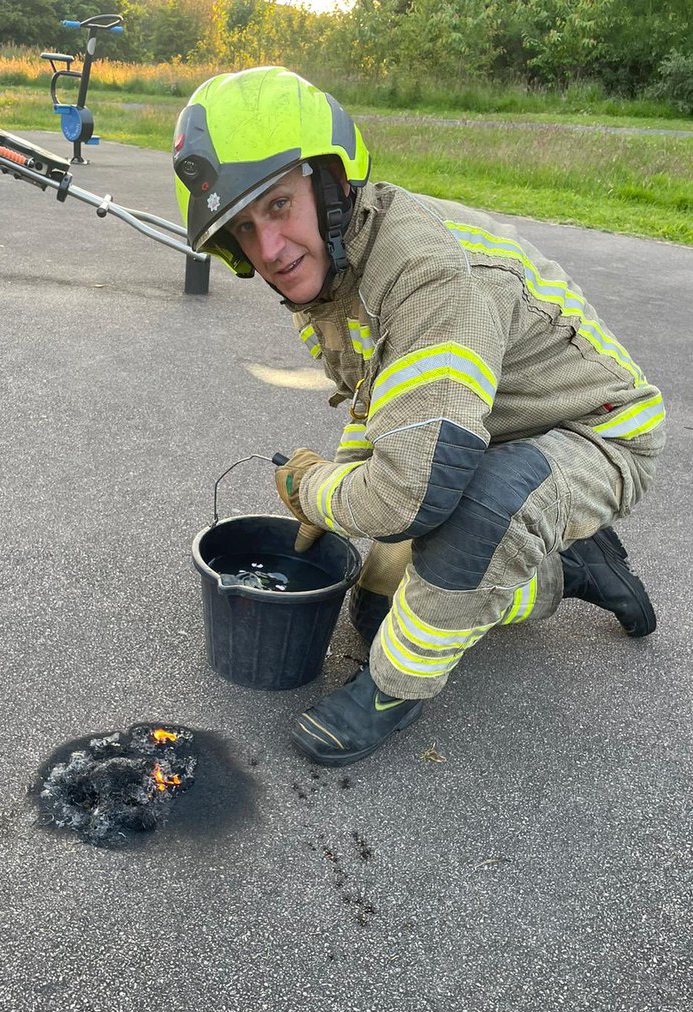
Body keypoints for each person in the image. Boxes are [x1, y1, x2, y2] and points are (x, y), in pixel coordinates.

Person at [172, 67, 666, 767]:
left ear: (331, 182)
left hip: (598, 430)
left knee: (479, 517)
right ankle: (573, 570)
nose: (271, 251)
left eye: (278, 206)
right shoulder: (336, 280)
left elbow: (409, 493)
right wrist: (342, 482)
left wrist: (311, 489)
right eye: (245, 230)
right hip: (490, 423)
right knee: (379, 608)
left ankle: (391, 693)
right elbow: (378, 403)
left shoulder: (428, 277)